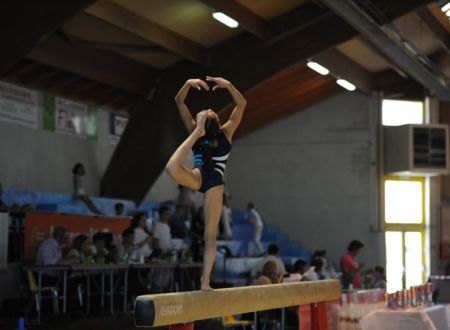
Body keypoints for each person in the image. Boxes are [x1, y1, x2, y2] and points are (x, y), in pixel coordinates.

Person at [165, 76, 246, 290]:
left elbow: (179, 101)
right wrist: (228, 86)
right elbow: (241, 104)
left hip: (205, 179)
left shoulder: (198, 128)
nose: (208, 108)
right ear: (218, 122)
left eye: (205, 112)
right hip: (209, 179)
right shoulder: (226, 132)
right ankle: (205, 281)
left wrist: (187, 85)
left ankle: (205, 281)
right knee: (209, 235)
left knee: (210, 234)